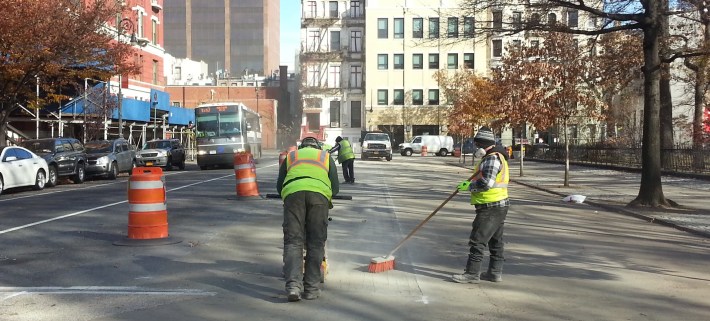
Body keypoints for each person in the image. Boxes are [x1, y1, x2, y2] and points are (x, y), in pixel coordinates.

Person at [277, 136, 340, 302]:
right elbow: (336, 187)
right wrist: (325, 197)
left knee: (293, 242)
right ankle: (311, 289)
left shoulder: (291, 156)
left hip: (293, 196)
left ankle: (293, 287)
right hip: (318, 197)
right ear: (317, 147)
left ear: (301, 146)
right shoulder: (325, 156)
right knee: (316, 242)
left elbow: (279, 185)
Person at [452, 126, 510, 284]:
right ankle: (494, 273)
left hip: (490, 206)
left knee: (477, 240)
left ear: (485, 145)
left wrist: (468, 187)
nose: (477, 148)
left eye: (478, 145)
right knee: (495, 241)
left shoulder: (492, 158)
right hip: (499, 204)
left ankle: (471, 274)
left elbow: (486, 184)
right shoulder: (496, 156)